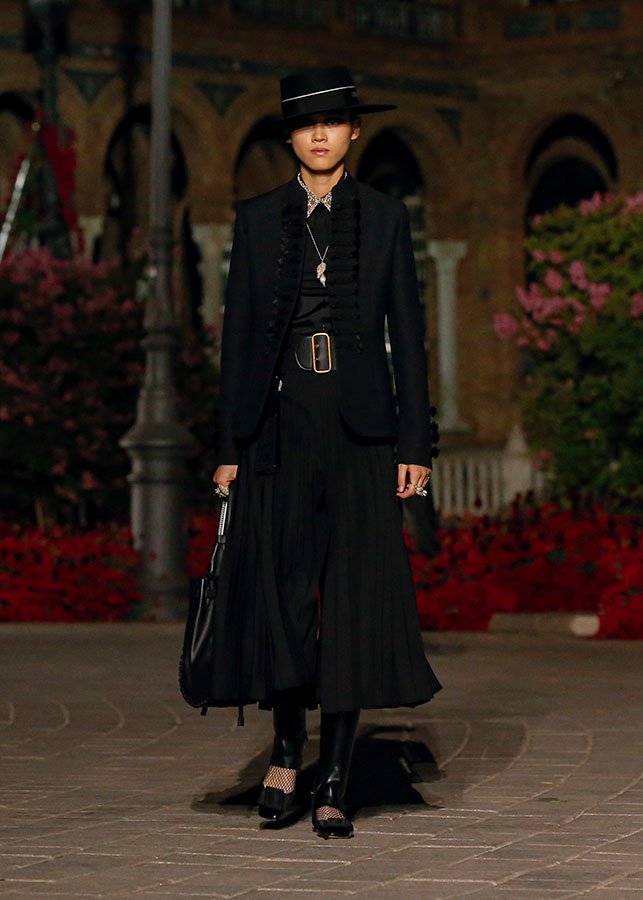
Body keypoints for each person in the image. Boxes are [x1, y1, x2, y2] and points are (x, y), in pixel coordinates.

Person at [211, 66, 441, 840]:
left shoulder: (384, 218)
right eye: (306, 123)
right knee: (281, 594)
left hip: (360, 429)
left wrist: (414, 442)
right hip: (278, 426)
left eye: (332, 121)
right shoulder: (255, 220)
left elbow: (408, 333)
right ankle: (286, 753)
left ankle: (335, 774)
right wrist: (229, 445)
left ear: (353, 132)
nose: (319, 134)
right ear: (289, 137)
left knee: (352, 598)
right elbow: (238, 338)